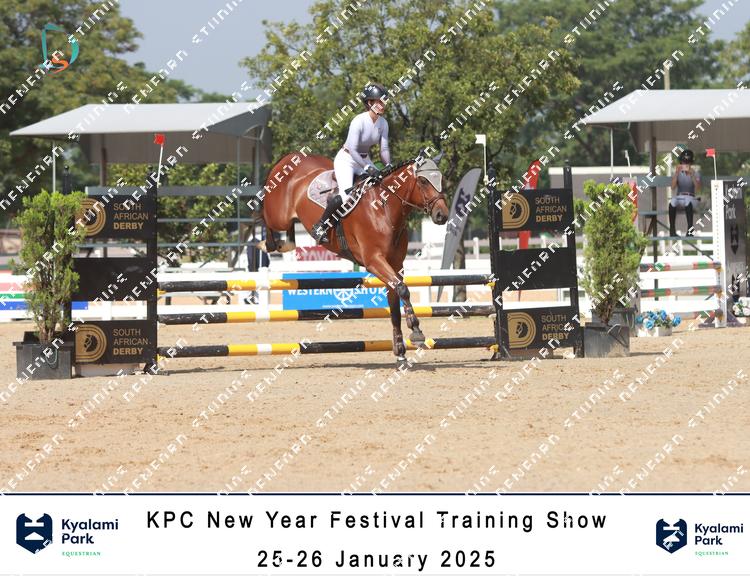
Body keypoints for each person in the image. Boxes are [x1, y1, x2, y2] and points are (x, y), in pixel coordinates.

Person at [312, 82, 392, 243]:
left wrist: (389, 165)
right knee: (346, 196)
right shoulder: (358, 121)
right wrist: (367, 167)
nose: (383, 105)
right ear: (369, 103)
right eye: (379, 101)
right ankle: (320, 226)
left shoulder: (383, 123)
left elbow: (384, 149)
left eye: (384, 101)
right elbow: (353, 150)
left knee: (381, 186)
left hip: (364, 158)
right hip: (347, 159)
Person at [669, 149, 701, 237]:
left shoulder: (695, 173)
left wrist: (692, 175)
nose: (685, 164)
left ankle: (690, 230)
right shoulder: (678, 173)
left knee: (687, 201)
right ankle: (672, 230)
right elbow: (672, 187)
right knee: (672, 201)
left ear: (691, 163)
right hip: (680, 196)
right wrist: (676, 173)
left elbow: (698, 188)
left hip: (691, 197)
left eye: (688, 162)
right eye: (684, 162)